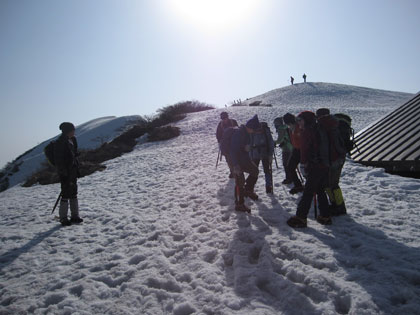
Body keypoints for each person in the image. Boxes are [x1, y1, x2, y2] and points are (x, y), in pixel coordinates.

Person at [286, 111, 331, 228]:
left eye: (300, 120)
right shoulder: (318, 129)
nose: (298, 123)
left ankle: (301, 217)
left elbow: (305, 150)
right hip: (324, 164)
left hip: (314, 165)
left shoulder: (307, 132)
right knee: (320, 190)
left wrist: (303, 164)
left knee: (308, 192)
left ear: (306, 120)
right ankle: (325, 216)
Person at [316, 108, 347, 216]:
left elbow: (324, 145)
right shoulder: (334, 123)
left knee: (331, 184)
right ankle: (337, 204)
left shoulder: (323, 125)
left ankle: (339, 206)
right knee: (331, 184)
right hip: (338, 158)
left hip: (331, 159)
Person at [54, 122, 83, 226]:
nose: (74, 132)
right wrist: (64, 173)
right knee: (65, 193)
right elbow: (59, 160)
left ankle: (75, 216)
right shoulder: (60, 142)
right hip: (65, 173)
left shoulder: (72, 140)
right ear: (67, 131)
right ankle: (63, 218)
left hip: (73, 170)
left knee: (73, 192)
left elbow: (73, 153)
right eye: (72, 130)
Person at [230, 115, 260, 212]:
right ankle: (239, 204)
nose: (254, 132)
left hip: (244, 160)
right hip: (236, 162)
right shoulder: (239, 133)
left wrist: (246, 149)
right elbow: (232, 151)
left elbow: (243, 147)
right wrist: (235, 165)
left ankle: (248, 189)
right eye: (254, 130)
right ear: (250, 127)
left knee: (255, 171)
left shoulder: (247, 133)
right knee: (240, 182)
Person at [249, 120, 275, 193]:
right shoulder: (253, 132)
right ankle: (251, 186)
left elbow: (270, 143)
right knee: (255, 170)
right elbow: (250, 144)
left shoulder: (265, 131)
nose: (258, 131)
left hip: (263, 153)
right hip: (258, 153)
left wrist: (270, 154)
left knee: (265, 170)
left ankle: (267, 186)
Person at [283, 113, 304, 194]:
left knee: (306, 169)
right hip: (295, 150)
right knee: (290, 167)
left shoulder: (300, 127)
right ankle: (298, 185)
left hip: (303, 150)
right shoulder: (290, 129)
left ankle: (311, 186)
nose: (288, 125)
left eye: (288, 123)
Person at [216, 112, 238, 178]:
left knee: (236, 158)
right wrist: (220, 142)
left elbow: (238, 131)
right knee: (228, 160)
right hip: (225, 145)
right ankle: (232, 171)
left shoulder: (233, 122)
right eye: (223, 118)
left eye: (225, 118)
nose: (224, 119)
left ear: (227, 117)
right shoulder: (220, 124)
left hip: (234, 143)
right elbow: (218, 134)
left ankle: (237, 170)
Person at [274, 117, 293, 184]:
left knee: (286, 164)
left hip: (286, 148)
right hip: (291, 147)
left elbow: (280, 140)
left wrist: (274, 142)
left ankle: (289, 178)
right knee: (289, 163)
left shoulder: (280, 129)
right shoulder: (286, 127)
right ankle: (291, 177)